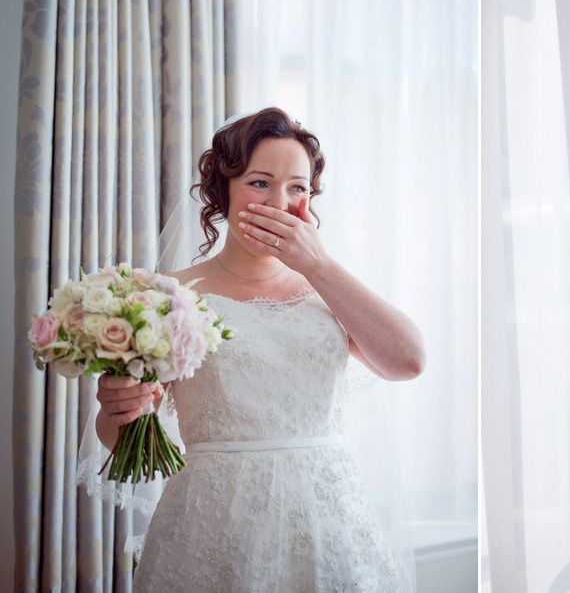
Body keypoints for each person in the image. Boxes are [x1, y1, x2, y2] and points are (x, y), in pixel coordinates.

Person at [92, 107, 425, 592]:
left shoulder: (328, 290)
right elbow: (131, 448)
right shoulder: (171, 295)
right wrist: (116, 407)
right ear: (221, 192)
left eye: (297, 188)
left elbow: (409, 361)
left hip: (326, 521)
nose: (279, 203)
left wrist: (319, 266)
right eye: (259, 183)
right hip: (212, 523)